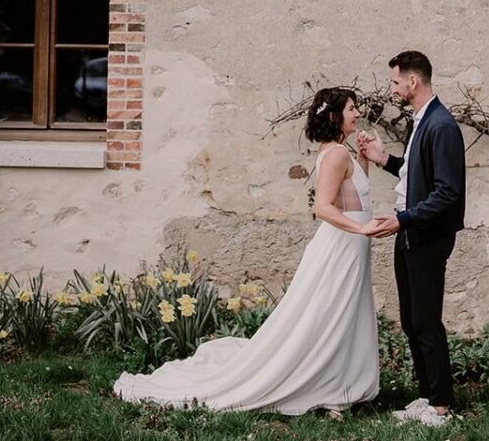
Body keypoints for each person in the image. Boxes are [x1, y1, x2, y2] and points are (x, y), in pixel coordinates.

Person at [113, 87, 379, 415]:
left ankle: (337, 383)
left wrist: (365, 159)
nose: (358, 113)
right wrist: (362, 228)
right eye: (352, 108)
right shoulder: (336, 154)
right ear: (336, 116)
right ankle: (327, 387)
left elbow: (352, 200)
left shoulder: (342, 151)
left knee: (342, 314)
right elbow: (324, 208)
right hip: (342, 246)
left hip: (351, 244)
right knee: (330, 316)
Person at [358, 50, 466, 428]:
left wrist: (402, 220)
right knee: (410, 319)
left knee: (426, 320)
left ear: (412, 81)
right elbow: (416, 174)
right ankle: (425, 396)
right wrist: (383, 158)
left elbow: (447, 191)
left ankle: (440, 406)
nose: (392, 88)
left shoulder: (442, 126)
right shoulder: (422, 121)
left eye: (394, 81)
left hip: (427, 236)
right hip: (409, 233)